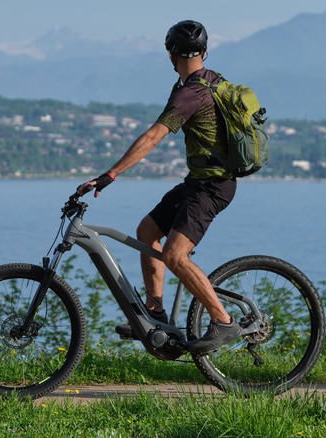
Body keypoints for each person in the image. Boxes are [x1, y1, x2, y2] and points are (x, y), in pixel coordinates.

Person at [76, 20, 241, 355]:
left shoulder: (190, 93)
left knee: (174, 255)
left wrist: (110, 175)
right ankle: (154, 312)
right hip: (199, 182)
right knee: (147, 230)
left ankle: (223, 321)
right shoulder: (211, 81)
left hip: (212, 188)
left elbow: (153, 136)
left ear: (171, 55)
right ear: (204, 52)